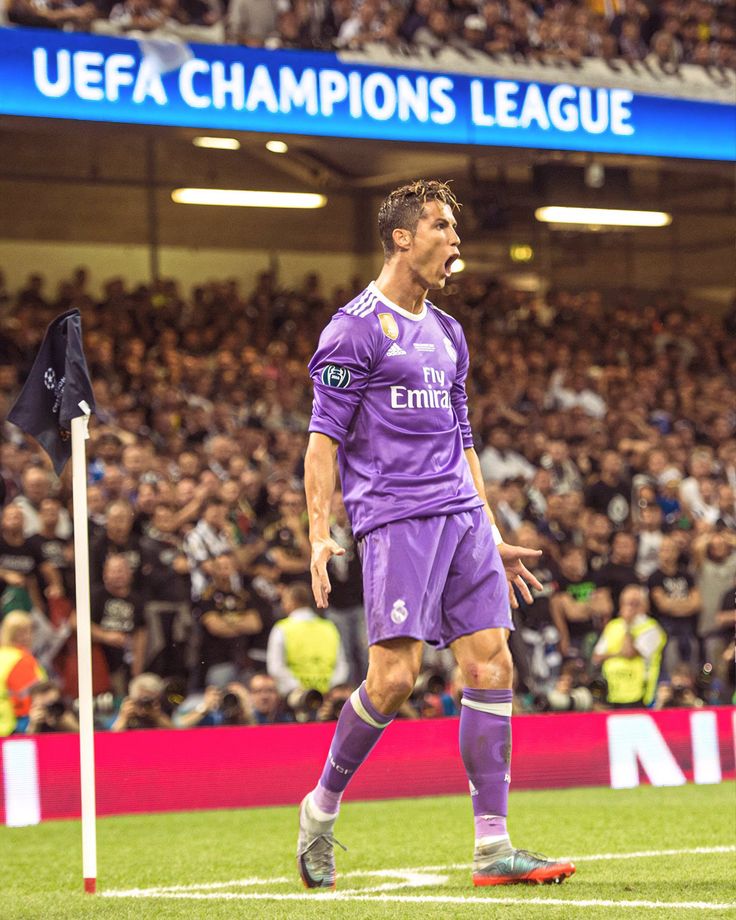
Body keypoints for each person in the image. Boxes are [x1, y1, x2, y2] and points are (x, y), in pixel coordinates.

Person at [298, 180, 574, 889]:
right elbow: (322, 444)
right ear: (401, 237)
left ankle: (493, 848)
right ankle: (320, 810)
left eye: (455, 229)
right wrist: (319, 534)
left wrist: (491, 528)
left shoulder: (449, 332)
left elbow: (464, 442)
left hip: (461, 517)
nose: (455, 240)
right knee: (393, 681)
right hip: (395, 519)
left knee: (493, 666)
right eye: (441, 227)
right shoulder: (353, 329)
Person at [591, 584, 666, 708]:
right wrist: (617, 654)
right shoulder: (613, 625)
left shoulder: (651, 628)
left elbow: (628, 652)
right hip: (612, 692)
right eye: (625, 603)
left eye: (634, 604)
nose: (628, 608)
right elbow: (596, 657)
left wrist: (627, 625)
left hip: (639, 695)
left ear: (644, 605)